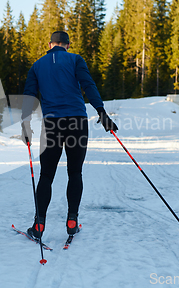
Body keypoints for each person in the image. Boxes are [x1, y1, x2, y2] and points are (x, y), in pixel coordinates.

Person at [21, 30, 118, 239]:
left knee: (46, 174)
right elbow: (88, 85)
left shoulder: (37, 66)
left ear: (50, 45)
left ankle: (38, 225)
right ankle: (72, 220)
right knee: (75, 172)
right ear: (67, 45)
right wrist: (101, 112)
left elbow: (29, 95)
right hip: (76, 122)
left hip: (51, 124)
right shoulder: (75, 60)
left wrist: (26, 123)